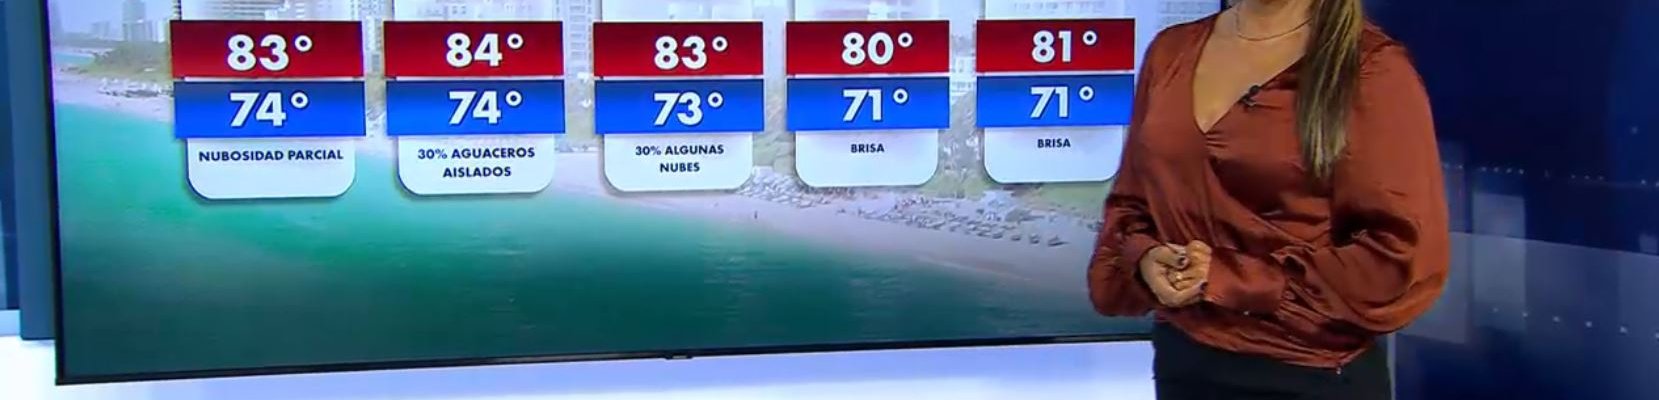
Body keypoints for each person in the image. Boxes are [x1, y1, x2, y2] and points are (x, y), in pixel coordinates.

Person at [1086, 0, 1448, 398]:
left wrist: (1232, 278)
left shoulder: (1372, 69)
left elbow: (1398, 257)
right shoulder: (1170, 52)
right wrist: (1144, 259)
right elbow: (1131, 204)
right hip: (1184, 364)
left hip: (1309, 376)